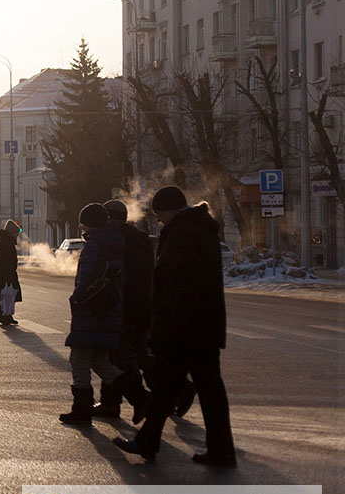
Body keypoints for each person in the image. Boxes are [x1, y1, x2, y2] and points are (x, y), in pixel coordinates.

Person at [114, 187, 237, 467]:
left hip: (186, 327)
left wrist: (161, 327)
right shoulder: (198, 229)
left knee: (185, 387)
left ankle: (217, 450)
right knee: (179, 387)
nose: (159, 221)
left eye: (160, 215)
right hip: (201, 324)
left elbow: (175, 287)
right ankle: (215, 448)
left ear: (169, 210)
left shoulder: (183, 234)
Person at [59, 203, 149, 426]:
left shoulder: (94, 247)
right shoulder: (115, 243)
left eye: (83, 222)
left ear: (88, 223)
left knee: (79, 360)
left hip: (91, 313)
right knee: (101, 363)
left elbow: (86, 280)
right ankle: (141, 398)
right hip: (108, 311)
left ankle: (81, 409)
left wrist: (77, 300)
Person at [92, 199, 154, 419]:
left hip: (123, 305)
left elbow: (113, 275)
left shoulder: (116, 239)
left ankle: (129, 401)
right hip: (143, 303)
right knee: (135, 352)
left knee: (116, 355)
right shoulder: (140, 238)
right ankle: (112, 402)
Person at [0, 219, 21, 326]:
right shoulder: (6, 243)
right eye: (16, 233)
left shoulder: (6, 241)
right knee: (5, 294)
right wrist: (7, 274)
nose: (17, 235)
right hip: (3, 274)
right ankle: (2, 316)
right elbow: (3, 260)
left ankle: (5, 315)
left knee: (7, 294)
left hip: (4, 273)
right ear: (11, 233)